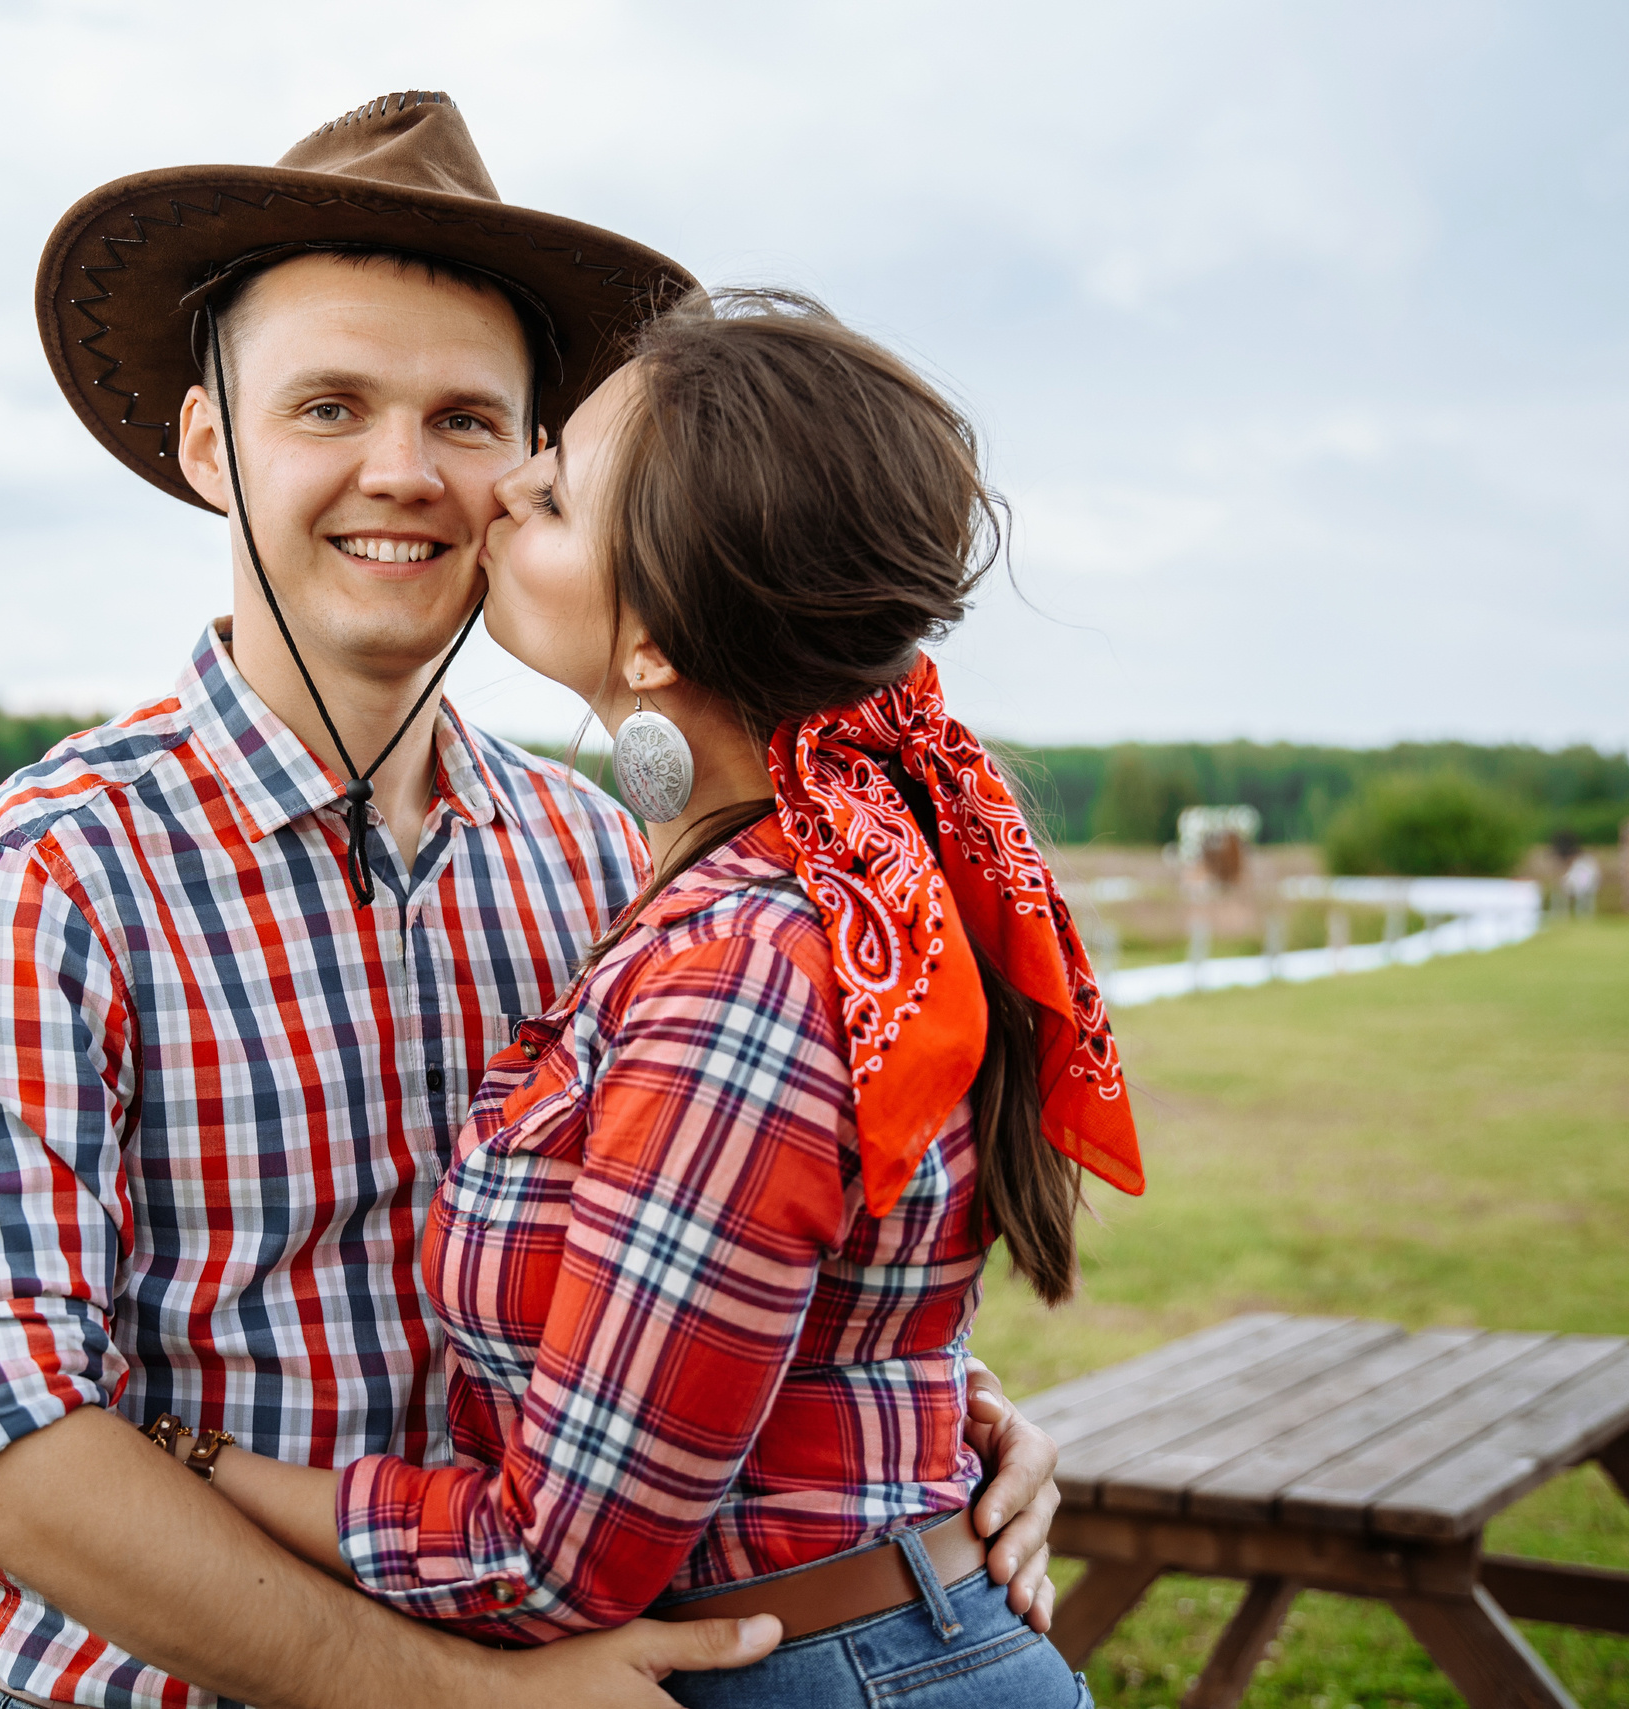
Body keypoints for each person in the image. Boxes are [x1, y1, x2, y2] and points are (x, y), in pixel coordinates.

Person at [0, 94, 1065, 1709]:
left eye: (469, 420)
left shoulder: (599, 853)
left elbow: (690, 1249)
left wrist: (926, 1412)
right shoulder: (42, 878)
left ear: (533, 472)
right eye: (331, 406)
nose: (405, 474)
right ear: (210, 443)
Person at [191, 288, 1142, 1703]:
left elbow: (551, 1558)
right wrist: (935, 1413)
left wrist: (205, 1468)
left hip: (801, 1669)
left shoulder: (745, 965)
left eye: (555, 490)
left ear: (652, 646)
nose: (498, 484)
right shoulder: (770, 876)